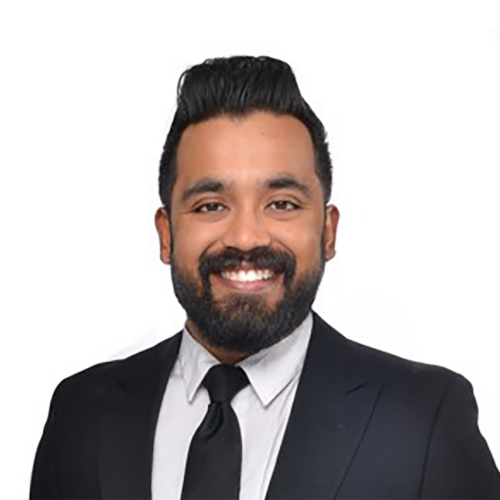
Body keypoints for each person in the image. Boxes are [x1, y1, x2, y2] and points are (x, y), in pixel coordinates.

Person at [30, 55, 500, 500]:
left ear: (328, 230)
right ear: (167, 233)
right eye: (211, 205)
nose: (247, 236)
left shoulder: (424, 419)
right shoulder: (81, 414)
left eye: (282, 204)